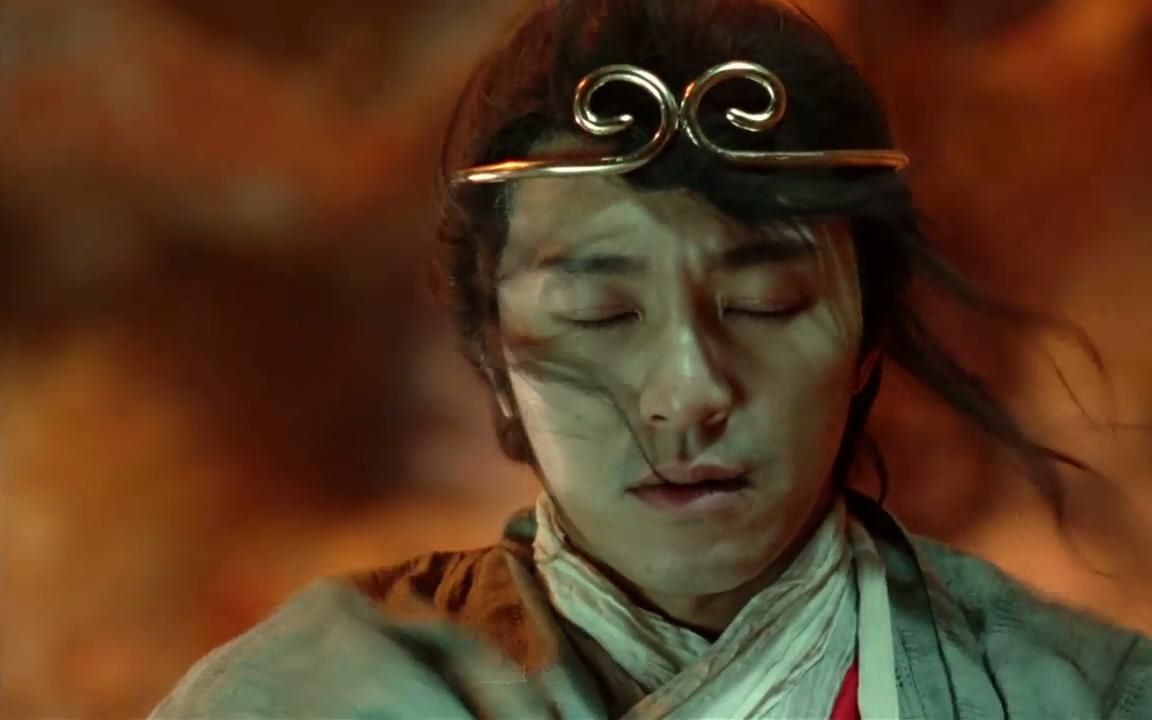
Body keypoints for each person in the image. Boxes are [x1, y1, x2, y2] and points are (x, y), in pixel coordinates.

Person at [152, 1, 1152, 718]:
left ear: (868, 335)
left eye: (763, 304)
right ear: (492, 356)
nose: (688, 391)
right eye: (599, 313)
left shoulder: (1074, 695)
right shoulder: (303, 698)